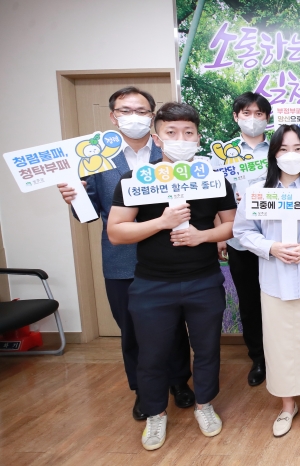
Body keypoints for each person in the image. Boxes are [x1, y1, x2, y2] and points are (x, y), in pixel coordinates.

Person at [57, 87, 194, 421]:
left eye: (141, 111)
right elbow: (90, 214)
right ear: (113, 116)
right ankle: (143, 391)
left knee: (173, 326)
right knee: (132, 330)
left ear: (152, 116)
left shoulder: (168, 150)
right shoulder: (95, 159)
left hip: (167, 255)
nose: (134, 117)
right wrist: (75, 198)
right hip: (122, 261)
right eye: (125, 110)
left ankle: (179, 382)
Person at [107, 102, 236, 450]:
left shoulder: (214, 180)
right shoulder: (136, 180)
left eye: (188, 132)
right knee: (152, 354)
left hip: (204, 280)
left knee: (207, 349)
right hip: (152, 284)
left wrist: (202, 236)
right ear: (157, 138)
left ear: (198, 138)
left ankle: (204, 405)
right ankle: (155, 413)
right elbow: (116, 232)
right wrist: (161, 222)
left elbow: (232, 225)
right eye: (172, 132)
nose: (181, 139)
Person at [233, 124, 300, 436]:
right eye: (284, 149)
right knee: (278, 345)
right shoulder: (257, 192)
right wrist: (271, 247)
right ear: (273, 154)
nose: (291, 155)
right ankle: (287, 406)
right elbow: (242, 232)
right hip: (274, 280)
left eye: (298, 148)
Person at [217, 91, 271, 387]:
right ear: (236, 116)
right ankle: (258, 358)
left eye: (259, 114)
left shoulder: (277, 150)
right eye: (247, 113)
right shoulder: (222, 154)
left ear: (267, 118)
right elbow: (213, 198)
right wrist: (220, 235)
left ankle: (279, 355)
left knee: (278, 300)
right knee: (249, 303)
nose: (253, 119)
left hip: (276, 238)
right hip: (239, 239)